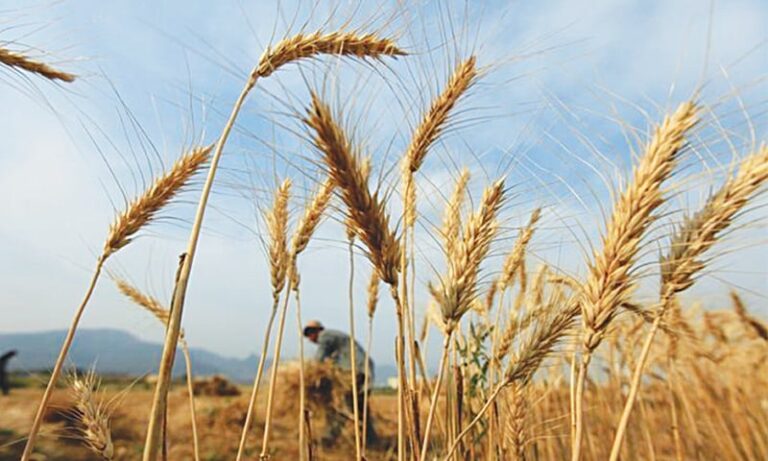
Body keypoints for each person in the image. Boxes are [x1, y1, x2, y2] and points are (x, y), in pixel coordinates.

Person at [303, 320, 378, 447]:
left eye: (310, 334)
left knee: (342, 405)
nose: (310, 339)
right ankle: (371, 441)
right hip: (362, 370)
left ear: (316, 331)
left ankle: (329, 439)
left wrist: (308, 374)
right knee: (360, 408)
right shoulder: (336, 341)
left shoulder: (325, 336)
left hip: (354, 371)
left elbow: (319, 359)